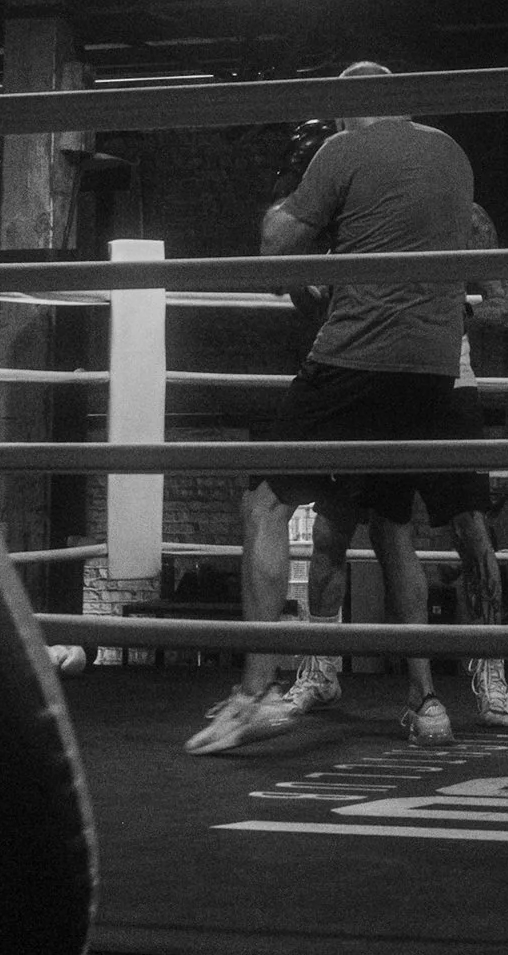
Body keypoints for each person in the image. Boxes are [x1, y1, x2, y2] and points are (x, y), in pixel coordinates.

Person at [187, 62, 477, 755]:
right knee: (393, 526)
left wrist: (290, 198)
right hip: (434, 369)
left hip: (357, 358)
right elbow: (397, 240)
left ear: (349, 107)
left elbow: (275, 248)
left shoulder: (343, 149)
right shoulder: (452, 153)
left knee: (265, 502)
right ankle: (426, 700)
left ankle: (255, 693)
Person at [293, 202, 508, 726]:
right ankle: (321, 668)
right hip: (372, 380)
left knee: (471, 528)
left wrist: (452, 314)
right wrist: (295, 282)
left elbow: (503, 306)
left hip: (448, 382)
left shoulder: (466, 217)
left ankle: (491, 670)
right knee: (336, 526)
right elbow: (324, 306)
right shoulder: (360, 212)